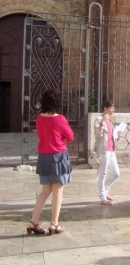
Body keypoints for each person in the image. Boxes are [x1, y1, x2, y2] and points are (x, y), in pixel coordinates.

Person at [26, 89, 74, 235]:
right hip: (58, 156)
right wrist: (62, 139)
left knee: (45, 191)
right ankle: (54, 224)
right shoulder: (60, 119)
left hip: (44, 156)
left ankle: (33, 222)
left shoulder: (39, 118)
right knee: (57, 190)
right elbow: (70, 136)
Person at [94, 100, 121, 205]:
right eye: (111, 108)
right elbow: (97, 134)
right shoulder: (99, 119)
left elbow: (111, 136)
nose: (113, 110)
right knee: (102, 173)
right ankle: (102, 197)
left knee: (116, 173)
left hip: (111, 149)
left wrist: (118, 135)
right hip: (104, 150)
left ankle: (105, 190)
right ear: (105, 108)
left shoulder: (109, 121)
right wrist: (102, 122)